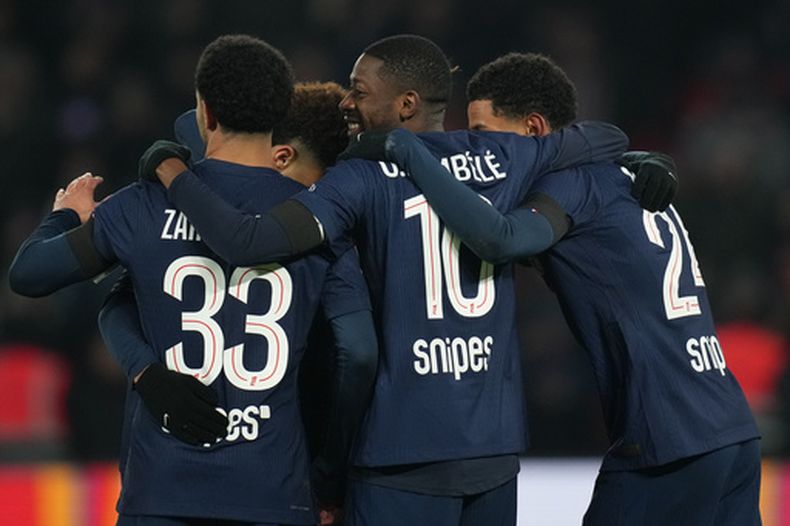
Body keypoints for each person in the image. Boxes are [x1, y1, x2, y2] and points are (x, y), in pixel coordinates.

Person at [137, 35, 638, 526]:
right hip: (493, 450)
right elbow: (606, 136)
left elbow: (249, 242)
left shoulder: (359, 179)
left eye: (359, 90)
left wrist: (173, 171)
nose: (347, 103)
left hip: (400, 454)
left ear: (406, 104)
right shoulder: (501, 156)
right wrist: (643, 162)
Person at [347, 52, 762, 525]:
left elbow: (499, 239)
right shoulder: (629, 180)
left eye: (482, 134)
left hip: (668, 442)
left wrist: (410, 153)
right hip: (733, 432)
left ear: (534, 129)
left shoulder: (571, 187)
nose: (473, 151)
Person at [10, 36, 377, 526]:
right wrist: (331, 474)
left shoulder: (140, 205)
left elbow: (29, 275)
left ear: (205, 112)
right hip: (272, 492)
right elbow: (357, 350)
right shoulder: (317, 219)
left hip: (162, 491)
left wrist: (63, 217)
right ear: (278, 114)